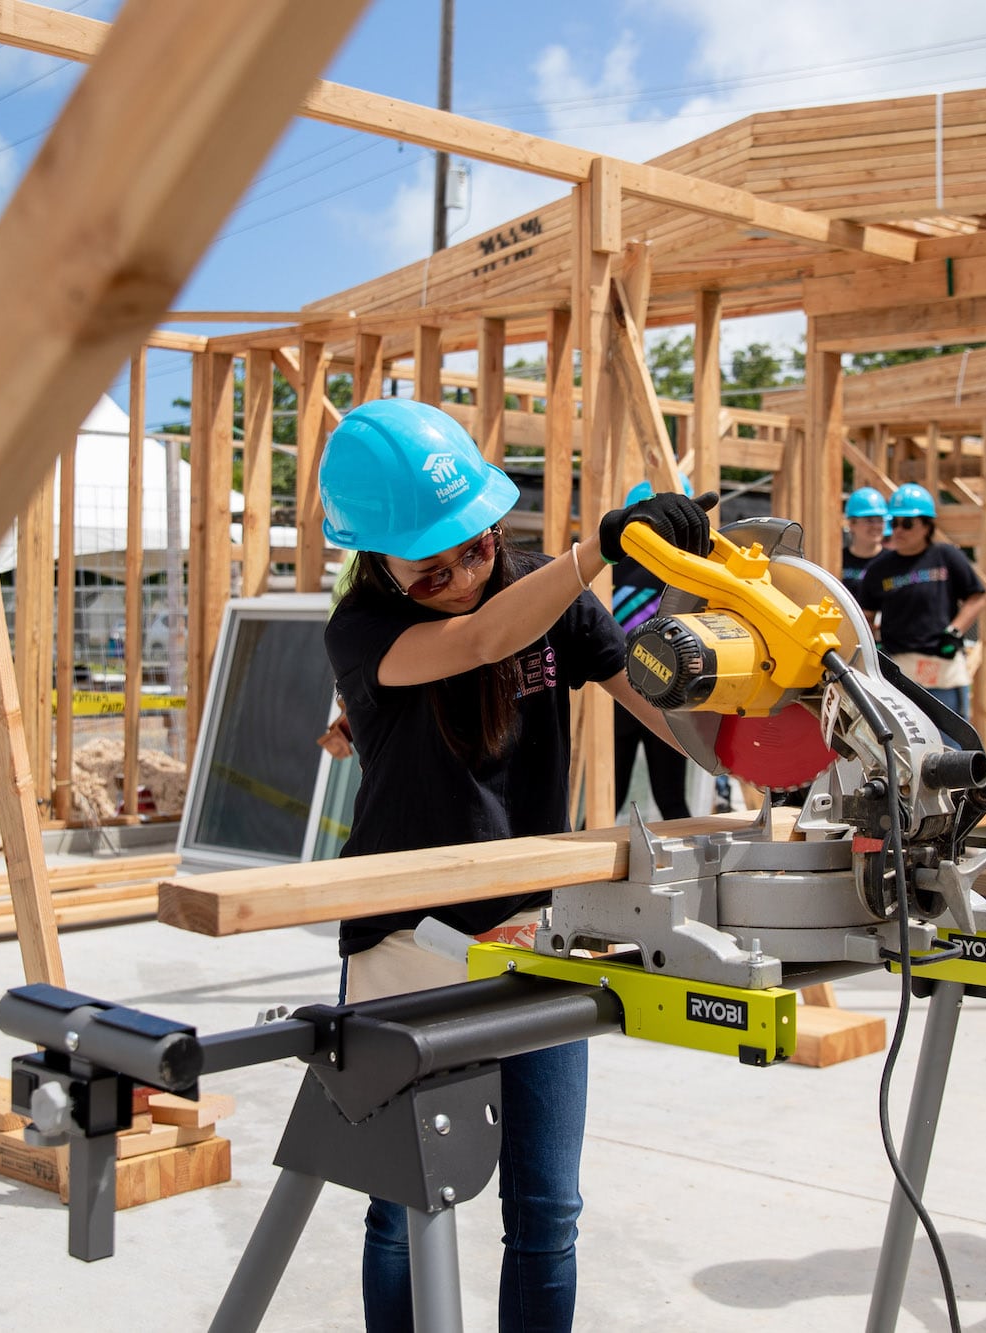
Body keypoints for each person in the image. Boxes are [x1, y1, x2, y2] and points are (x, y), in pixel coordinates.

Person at [317, 399, 709, 1332]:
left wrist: (749, 739)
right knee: (404, 1210)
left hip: (537, 929)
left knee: (545, 1211)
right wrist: (601, 547)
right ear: (378, 561)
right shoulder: (361, 629)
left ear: (495, 525)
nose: (457, 577)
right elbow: (483, 640)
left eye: (476, 551)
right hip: (406, 940)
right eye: (428, 571)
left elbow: (653, 703)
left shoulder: (550, 595)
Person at [855, 482, 986, 720]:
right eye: (894, 523)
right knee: (906, 748)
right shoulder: (879, 569)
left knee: (953, 747)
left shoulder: (946, 557)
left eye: (907, 523)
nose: (898, 530)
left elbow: (976, 597)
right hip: (899, 668)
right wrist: (873, 645)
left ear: (927, 525)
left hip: (941, 667)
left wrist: (955, 632)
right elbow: (865, 615)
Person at [611, 480, 693, 821]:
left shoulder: (686, 570)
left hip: (666, 694)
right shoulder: (612, 565)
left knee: (670, 799)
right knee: (608, 799)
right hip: (619, 692)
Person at [841, 485, 891, 584]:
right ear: (852, 524)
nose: (876, 526)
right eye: (870, 520)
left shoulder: (892, 562)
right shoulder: (838, 561)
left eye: (880, 520)